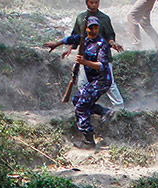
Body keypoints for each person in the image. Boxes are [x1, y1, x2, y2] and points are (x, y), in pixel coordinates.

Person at [43, 17, 113, 149]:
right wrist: (56, 44)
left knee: (81, 106)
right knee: (77, 99)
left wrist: (84, 62)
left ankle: (88, 140)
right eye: (90, 28)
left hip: (102, 81)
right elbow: (71, 39)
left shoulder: (101, 44)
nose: (93, 30)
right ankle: (104, 112)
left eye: (96, 28)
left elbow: (102, 65)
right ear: (86, 28)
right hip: (94, 81)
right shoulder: (84, 38)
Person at [62, 0, 125, 109]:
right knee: (82, 84)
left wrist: (113, 43)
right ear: (86, 3)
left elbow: (109, 35)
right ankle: (85, 108)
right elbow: (76, 36)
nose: (94, 5)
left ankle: (120, 109)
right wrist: (70, 48)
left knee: (109, 84)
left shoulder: (104, 18)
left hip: (102, 57)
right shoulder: (81, 18)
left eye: (96, 2)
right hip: (85, 58)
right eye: (91, 2)